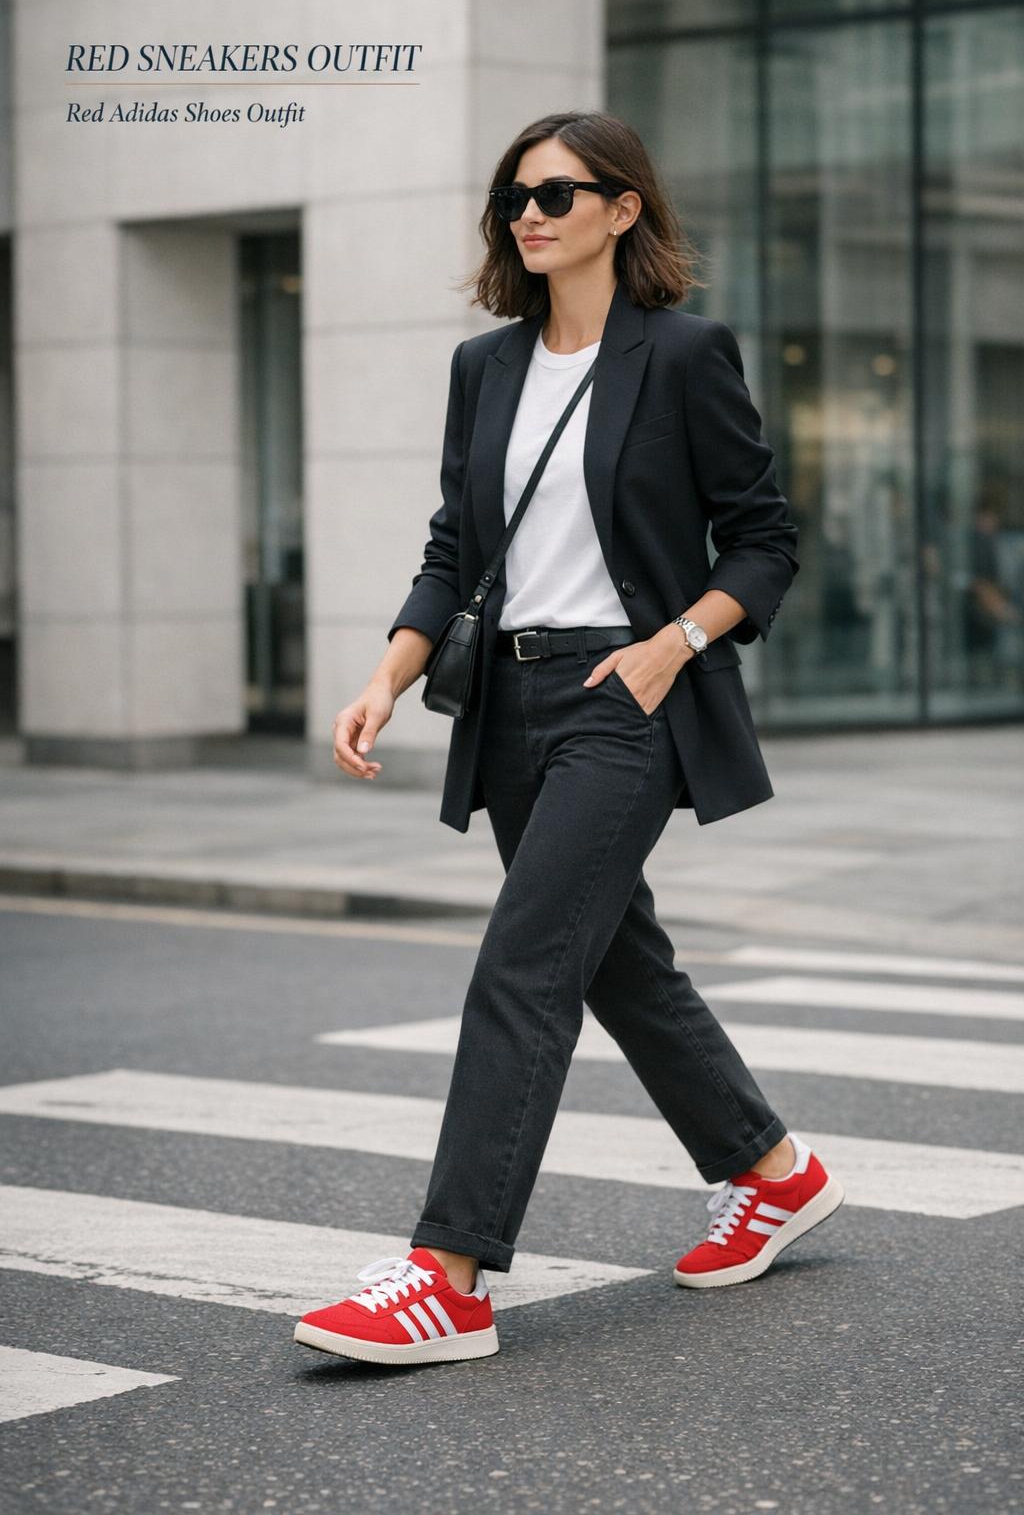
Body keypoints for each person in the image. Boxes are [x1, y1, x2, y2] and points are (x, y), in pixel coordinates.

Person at [294, 110, 844, 1368]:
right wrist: (390, 672)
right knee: (613, 962)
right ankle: (771, 1171)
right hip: (509, 704)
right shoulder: (483, 369)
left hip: (626, 697)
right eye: (512, 199)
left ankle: (448, 1273)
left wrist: (673, 644)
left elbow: (763, 541)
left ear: (622, 208)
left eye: (554, 193)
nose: (527, 214)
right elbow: (456, 546)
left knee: (525, 962)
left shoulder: (686, 354)